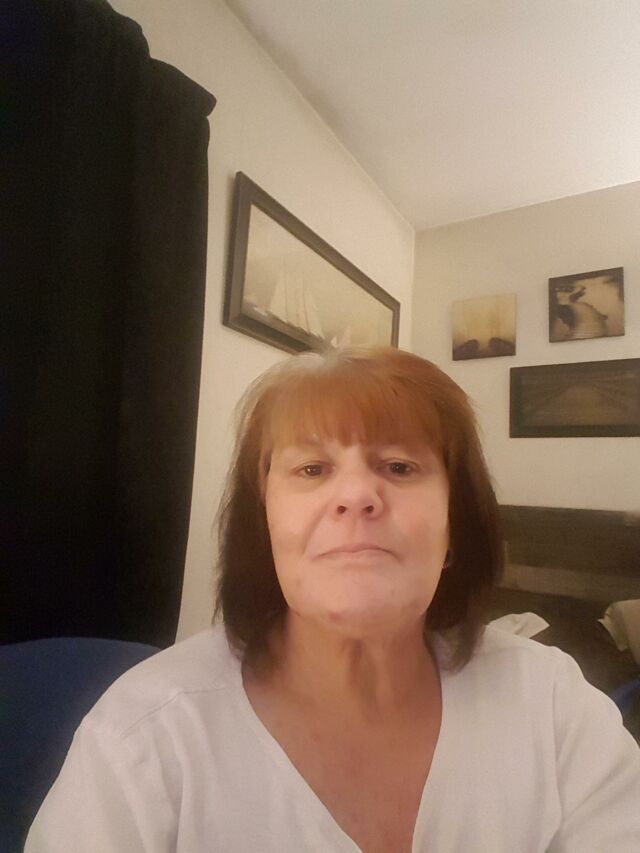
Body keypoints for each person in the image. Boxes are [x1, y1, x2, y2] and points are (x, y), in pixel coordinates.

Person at [26, 346, 640, 852]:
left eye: (399, 467)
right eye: (312, 470)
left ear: (455, 526)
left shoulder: (553, 703)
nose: (356, 495)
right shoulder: (140, 739)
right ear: (264, 524)